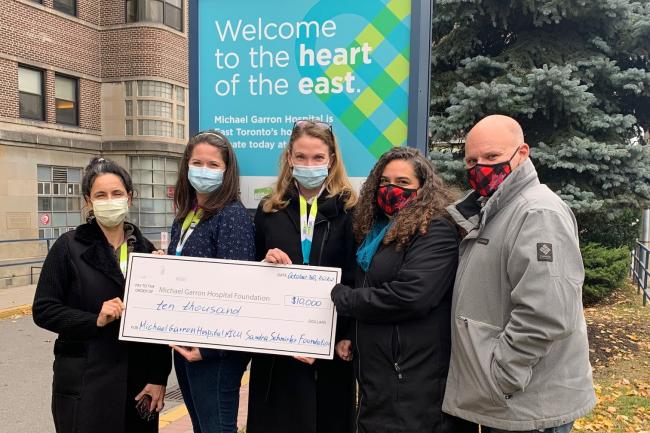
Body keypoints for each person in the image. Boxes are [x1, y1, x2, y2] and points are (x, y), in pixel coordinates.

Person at [441, 115, 596, 433]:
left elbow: (546, 313)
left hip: (529, 403)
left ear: (522, 153)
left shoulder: (537, 212)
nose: (480, 166)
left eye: (492, 157)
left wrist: (503, 376)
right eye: (472, 160)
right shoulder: (495, 210)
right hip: (512, 401)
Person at [331, 147, 477, 433]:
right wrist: (352, 333)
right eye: (385, 182)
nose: (391, 189)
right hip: (380, 376)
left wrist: (348, 300)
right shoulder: (377, 230)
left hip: (413, 378)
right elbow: (371, 283)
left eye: (403, 183)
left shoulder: (435, 229)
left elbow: (412, 296)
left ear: (423, 188)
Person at [32, 157, 172, 433]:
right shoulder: (68, 248)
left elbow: (159, 324)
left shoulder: (147, 251)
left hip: (138, 384)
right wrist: (94, 319)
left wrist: (158, 377)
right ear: (88, 201)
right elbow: (44, 309)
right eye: (101, 195)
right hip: (86, 382)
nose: (110, 200)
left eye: (117, 193)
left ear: (129, 197)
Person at [247, 119, 357, 433]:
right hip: (278, 348)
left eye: (317, 158)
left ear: (331, 161)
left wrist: (345, 335)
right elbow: (252, 275)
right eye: (301, 157)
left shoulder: (350, 210)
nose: (309, 164)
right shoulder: (270, 210)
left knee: (327, 420)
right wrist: (265, 263)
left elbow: (355, 276)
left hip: (331, 346)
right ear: (289, 159)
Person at [167, 130, 255, 433]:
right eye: (197, 162)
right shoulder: (186, 215)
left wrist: (210, 349)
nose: (204, 170)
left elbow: (237, 292)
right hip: (186, 343)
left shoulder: (231, 216)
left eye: (213, 165)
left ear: (227, 171)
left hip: (214, 353)